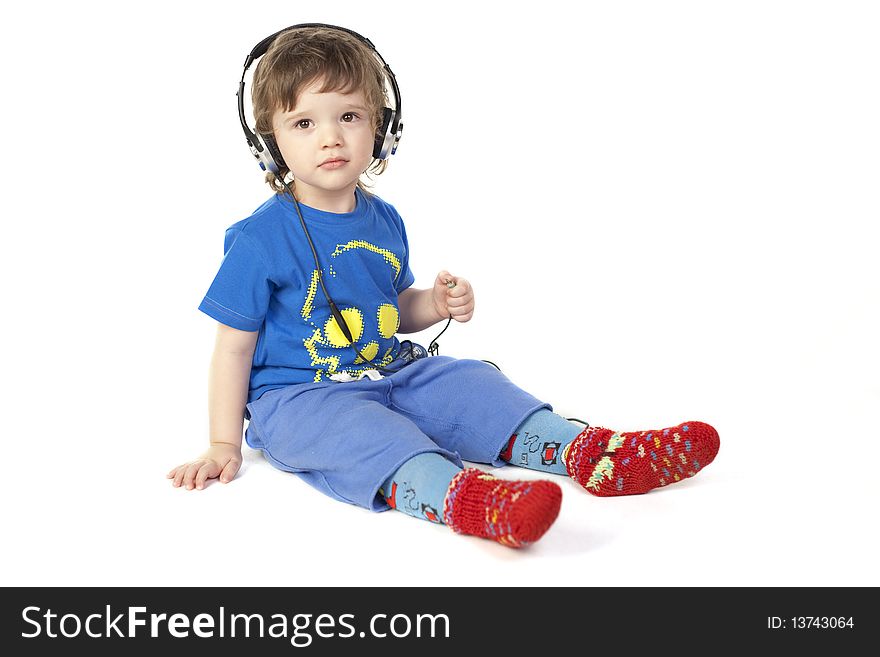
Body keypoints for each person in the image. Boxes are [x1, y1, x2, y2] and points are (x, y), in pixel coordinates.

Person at [167, 24, 720, 548]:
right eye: (304, 123)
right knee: (362, 434)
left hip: (393, 368)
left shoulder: (384, 220)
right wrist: (223, 443)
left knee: (471, 384)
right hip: (299, 397)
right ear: (270, 144)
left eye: (350, 115)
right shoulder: (259, 240)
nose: (331, 137)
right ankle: (465, 499)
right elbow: (233, 348)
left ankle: (592, 454)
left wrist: (431, 303)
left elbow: (392, 309)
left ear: (382, 129)